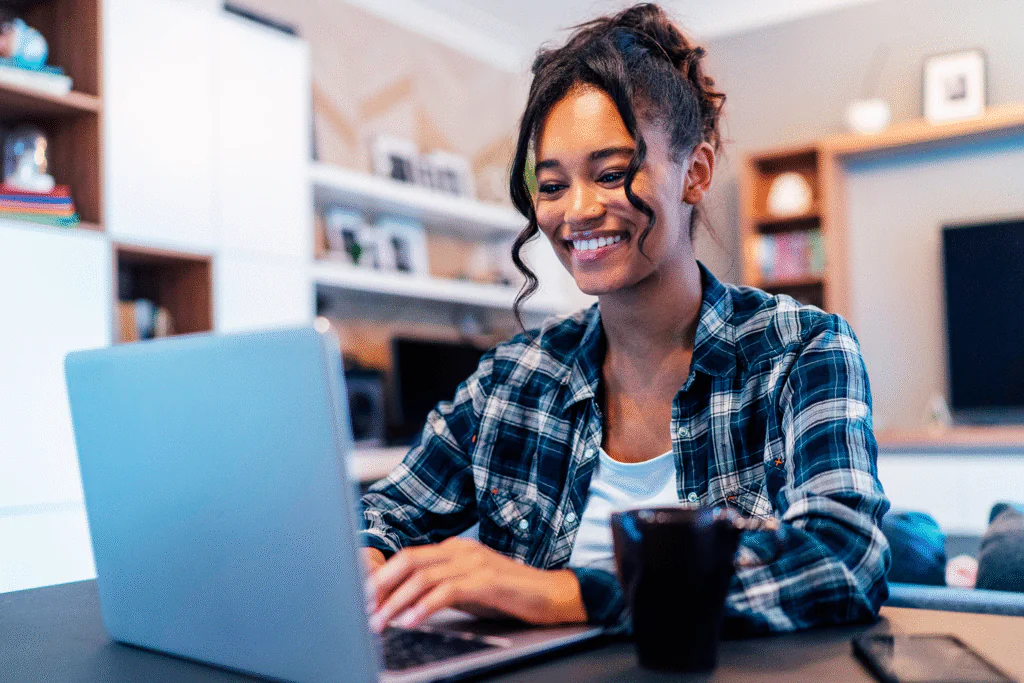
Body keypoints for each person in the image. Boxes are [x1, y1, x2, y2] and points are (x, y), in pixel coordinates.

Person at [361, 2, 891, 635]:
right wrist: (367, 564)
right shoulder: (510, 381)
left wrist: (562, 595)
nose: (576, 211)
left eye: (611, 173)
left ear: (695, 172)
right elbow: (385, 515)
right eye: (552, 186)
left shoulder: (800, 351)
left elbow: (844, 556)